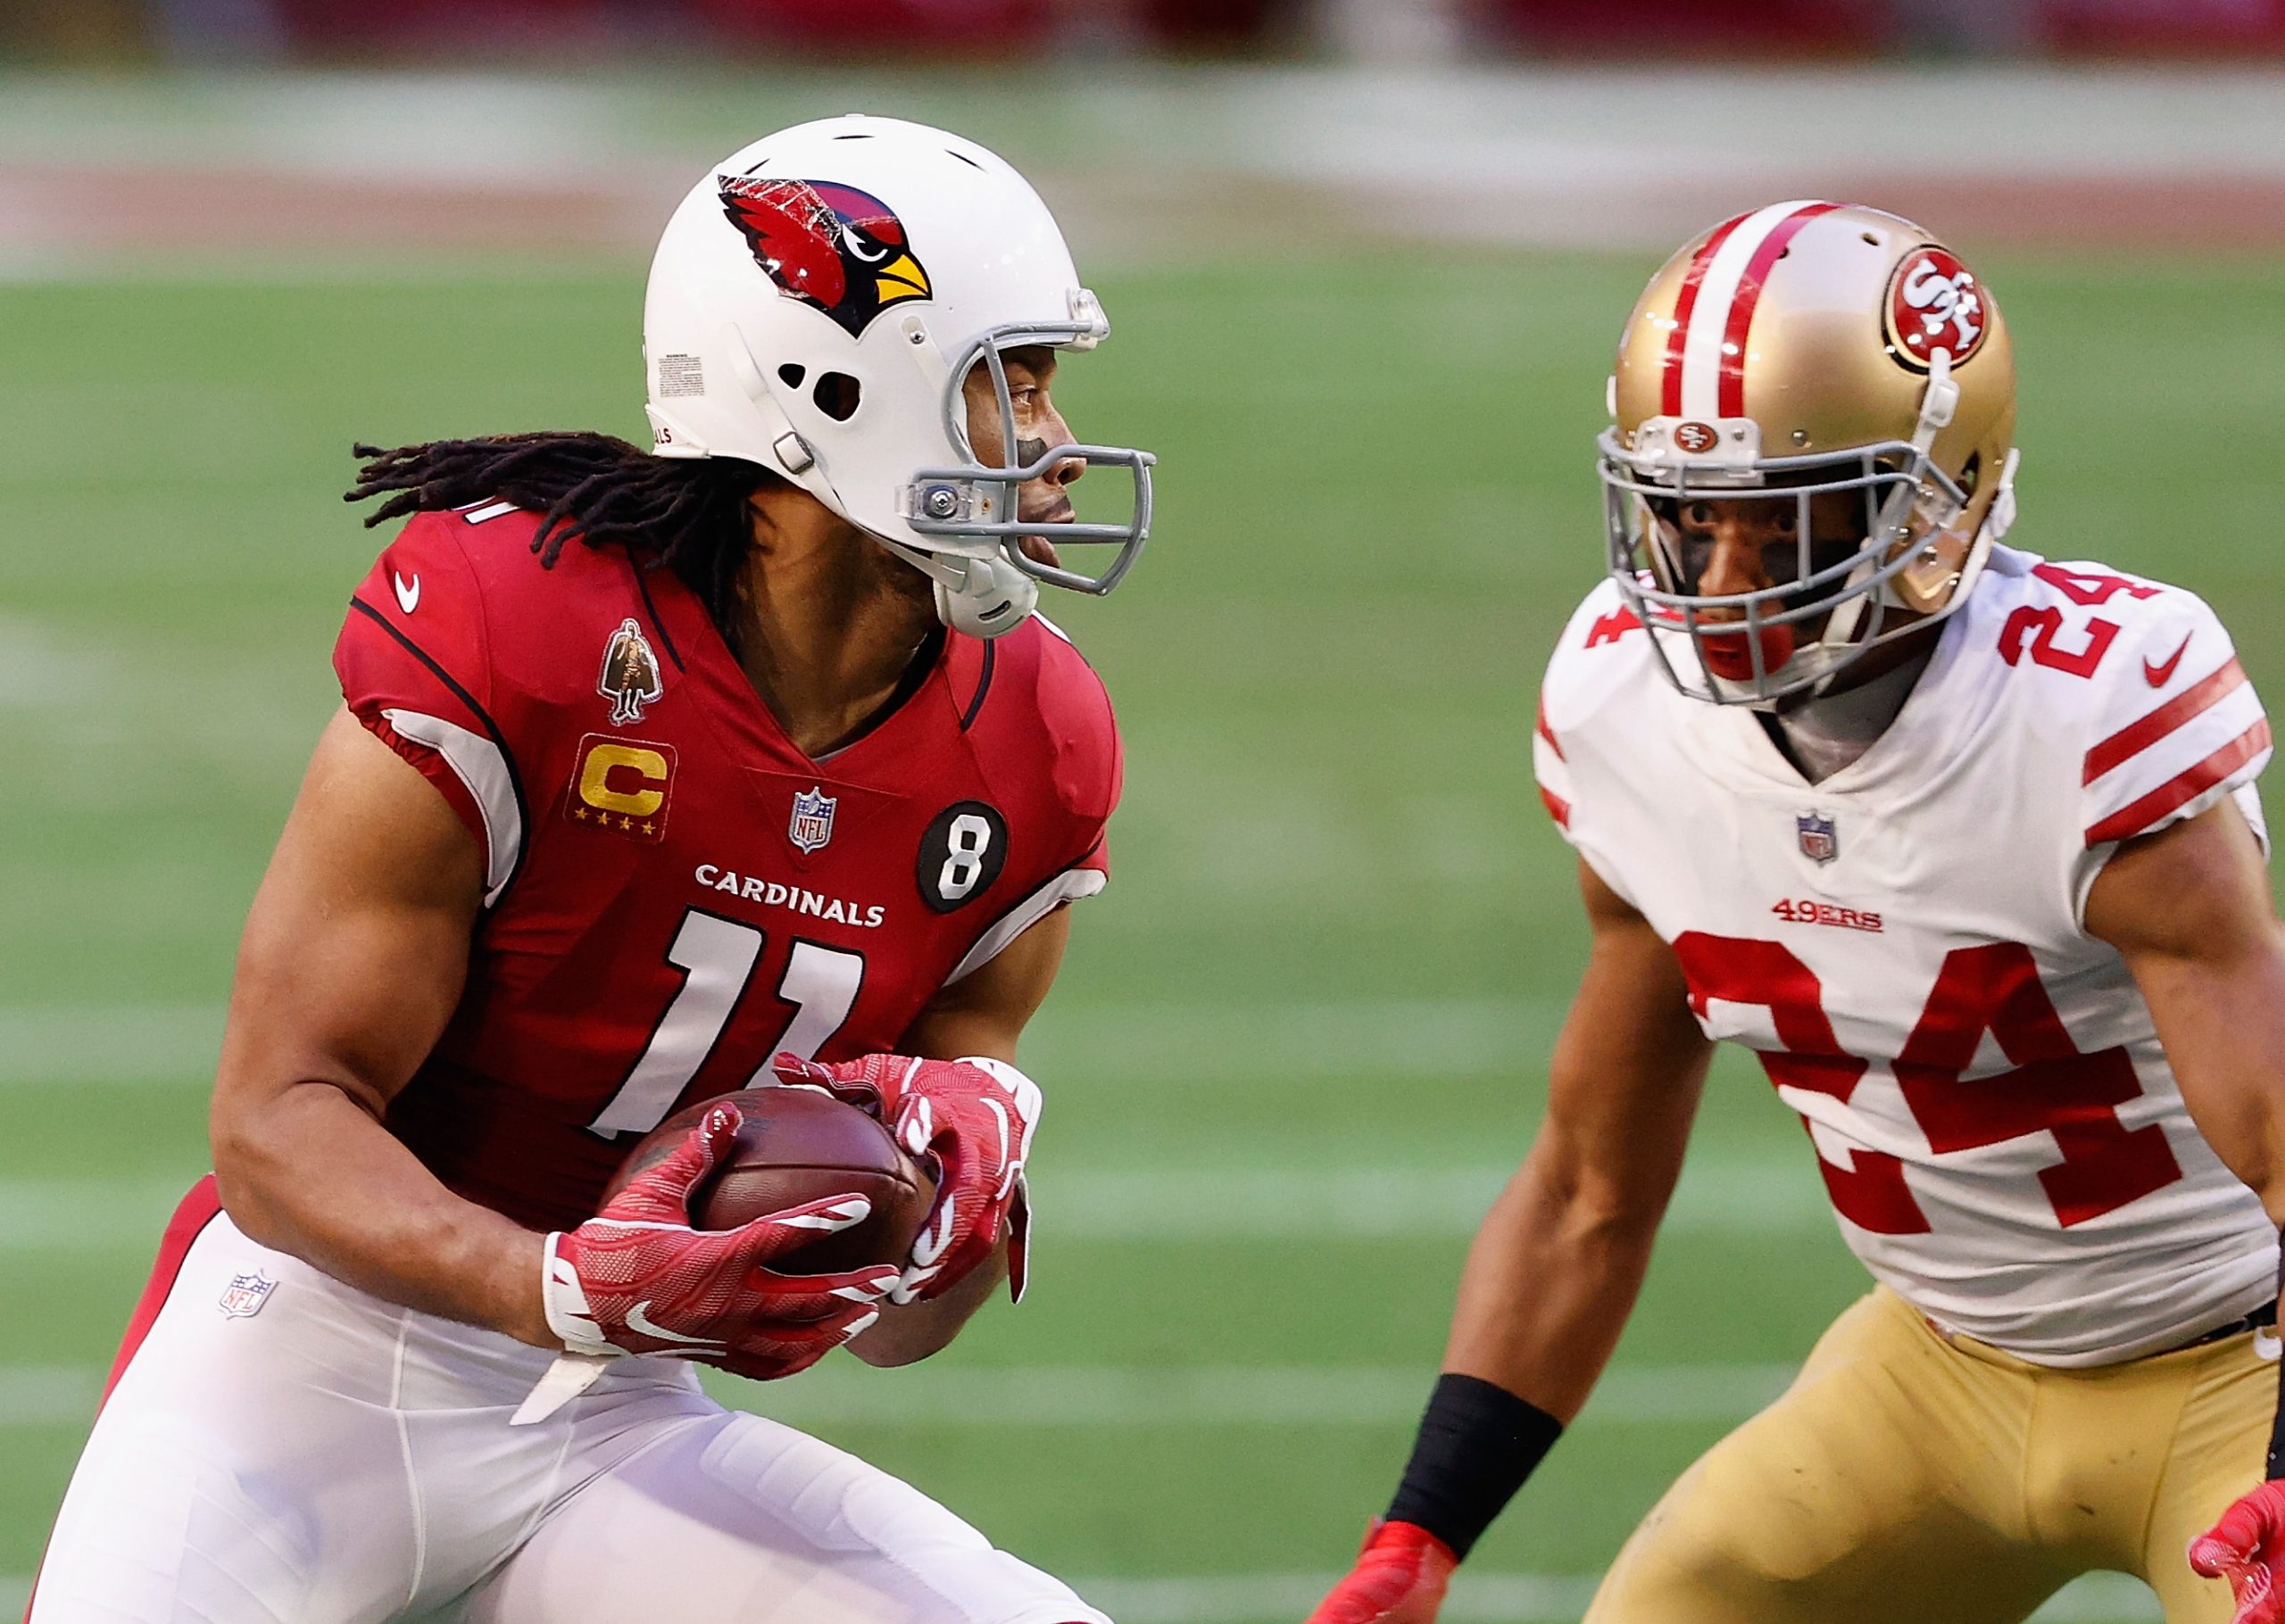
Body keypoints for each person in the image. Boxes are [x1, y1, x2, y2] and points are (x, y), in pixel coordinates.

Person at [30, 114, 1153, 1624]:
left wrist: (945, 1198)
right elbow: (278, 1121)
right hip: (302, 1360)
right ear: (833, 388)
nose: (1050, 440)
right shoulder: (534, 628)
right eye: (1005, 382)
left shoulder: (1037, 737)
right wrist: (560, 1281)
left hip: (607, 1419)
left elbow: (897, 1335)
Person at [1304, 202, 2285, 1624]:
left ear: (1939, 499)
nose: (1721, 587)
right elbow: (1589, 1189)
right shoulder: (1622, 713)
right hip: (1939, 1368)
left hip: (2234, 1365)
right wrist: (1422, 1534)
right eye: (1692, 520)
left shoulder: (2084, 714)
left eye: (1787, 526)